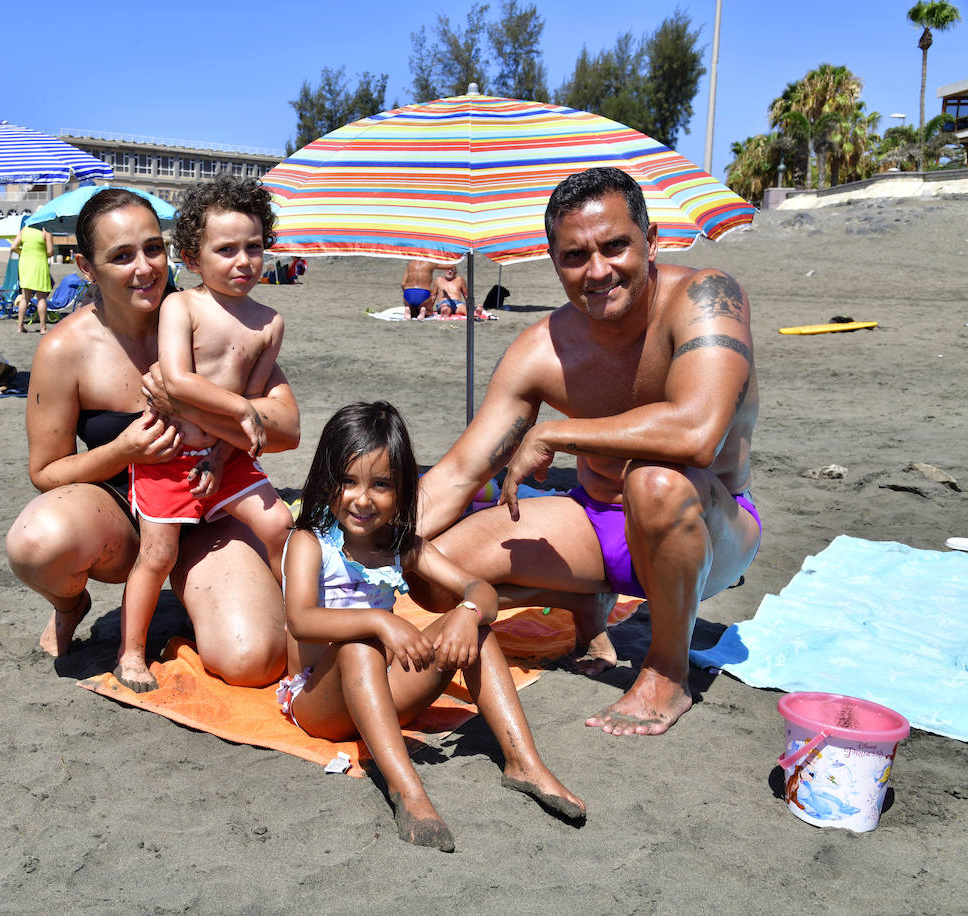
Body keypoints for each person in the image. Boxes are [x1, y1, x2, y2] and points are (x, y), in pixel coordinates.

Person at [415, 166, 760, 737]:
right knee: (430, 571)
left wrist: (557, 433)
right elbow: (457, 474)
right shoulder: (542, 349)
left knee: (655, 481)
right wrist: (354, 549)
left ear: (651, 242)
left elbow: (697, 432)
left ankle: (666, 671)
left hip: (705, 527)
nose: (597, 271)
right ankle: (590, 600)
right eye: (575, 256)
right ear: (555, 263)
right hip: (597, 529)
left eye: (615, 246)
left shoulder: (706, 297)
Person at [4, 188, 300, 689]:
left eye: (152, 248)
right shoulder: (64, 349)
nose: (144, 268)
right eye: (121, 256)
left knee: (254, 660)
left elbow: (286, 428)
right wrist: (124, 450)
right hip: (123, 513)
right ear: (86, 267)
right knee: (40, 542)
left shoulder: (212, 314)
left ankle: (206, 601)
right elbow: (45, 473)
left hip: (211, 499)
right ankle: (71, 603)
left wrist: (198, 414)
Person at [280, 401, 584, 852]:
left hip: (383, 693)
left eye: (381, 484)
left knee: (475, 631)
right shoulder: (310, 542)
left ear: (402, 488)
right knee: (361, 642)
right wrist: (380, 621)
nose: (362, 499)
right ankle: (408, 790)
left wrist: (466, 613)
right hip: (316, 699)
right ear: (326, 481)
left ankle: (525, 764)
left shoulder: (402, 545)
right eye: (348, 481)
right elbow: (301, 621)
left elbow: (478, 588)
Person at [115, 176, 295, 693]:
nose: (243, 261)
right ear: (192, 258)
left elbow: (256, 400)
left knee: (281, 522)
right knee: (158, 554)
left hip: (225, 455)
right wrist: (241, 410)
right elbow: (177, 380)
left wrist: (221, 453)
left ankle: (301, 620)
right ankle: (131, 652)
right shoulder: (183, 307)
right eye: (226, 249)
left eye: (254, 247)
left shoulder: (269, 322)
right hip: (167, 451)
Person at [11, 215, 54, 334]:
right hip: (40, 263)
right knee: (41, 297)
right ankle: (43, 327)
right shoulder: (46, 230)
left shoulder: (25, 229)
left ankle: (20, 327)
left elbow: (13, 247)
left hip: (25, 264)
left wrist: (23, 252)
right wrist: (41, 252)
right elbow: (50, 251)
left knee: (25, 297)